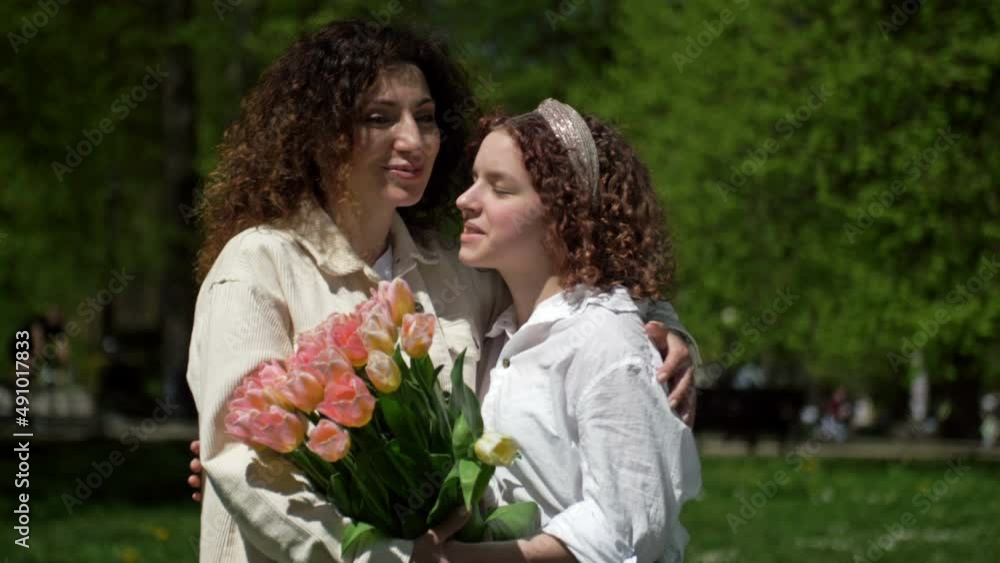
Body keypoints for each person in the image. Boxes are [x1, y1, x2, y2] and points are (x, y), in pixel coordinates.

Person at [186, 20, 698, 563]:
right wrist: (393, 558)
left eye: (426, 118)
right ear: (320, 134)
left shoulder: (460, 272)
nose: (413, 140)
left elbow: (576, 289)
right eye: (379, 118)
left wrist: (666, 331)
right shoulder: (257, 265)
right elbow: (242, 465)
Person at [409, 101, 700, 562]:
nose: (465, 199)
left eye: (499, 188)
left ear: (563, 213)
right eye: (474, 179)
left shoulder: (607, 342)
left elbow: (626, 528)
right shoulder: (500, 331)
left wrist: (458, 559)